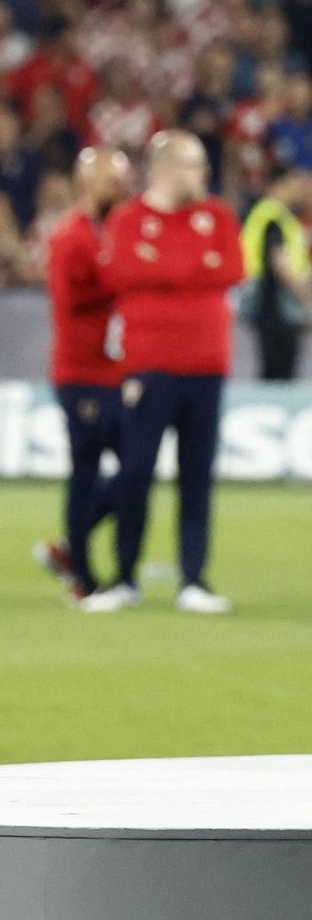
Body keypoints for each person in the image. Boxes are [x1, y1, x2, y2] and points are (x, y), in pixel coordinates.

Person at [82, 132, 244, 614]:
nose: (204, 176)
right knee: (135, 473)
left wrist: (166, 270)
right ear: (167, 168)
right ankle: (124, 577)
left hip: (206, 367)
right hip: (147, 368)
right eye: (195, 166)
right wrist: (195, 265)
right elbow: (122, 276)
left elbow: (231, 268)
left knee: (197, 478)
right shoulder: (129, 218)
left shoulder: (217, 216)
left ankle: (193, 579)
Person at [34, 147, 132, 604]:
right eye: (114, 179)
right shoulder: (71, 235)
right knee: (89, 469)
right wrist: (121, 276)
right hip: (82, 373)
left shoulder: (107, 229)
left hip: (113, 370)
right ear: (87, 182)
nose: (122, 187)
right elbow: (73, 299)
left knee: (134, 465)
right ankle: (82, 575)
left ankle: (72, 551)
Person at [240, 171, 312, 381]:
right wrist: (307, 302)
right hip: (276, 304)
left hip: (270, 303)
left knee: (274, 371)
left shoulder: (271, 215)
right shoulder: (273, 217)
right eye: (297, 183)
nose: (301, 191)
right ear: (283, 183)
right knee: (279, 374)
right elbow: (281, 263)